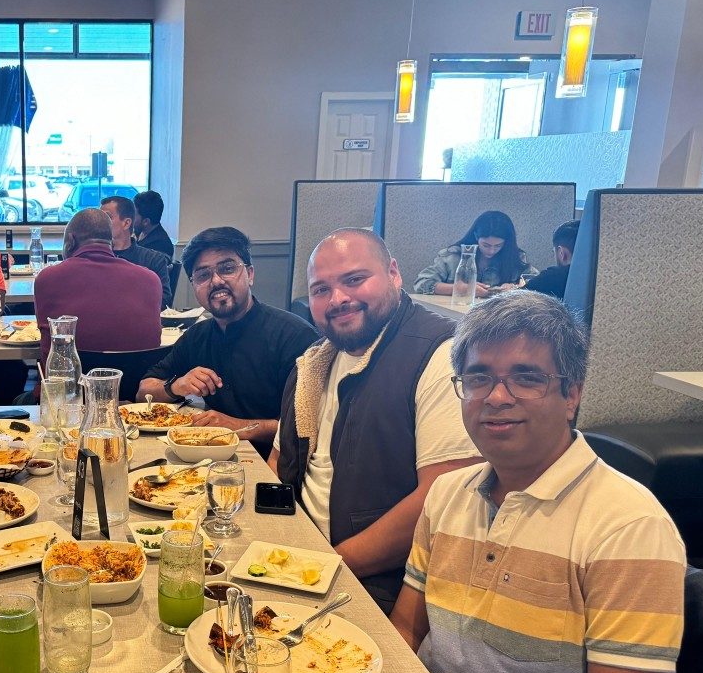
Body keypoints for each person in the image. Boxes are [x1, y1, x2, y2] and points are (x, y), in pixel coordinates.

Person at [310, 291, 686, 673]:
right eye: (479, 376)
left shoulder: (627, 526)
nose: (497, 396)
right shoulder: (450, 494)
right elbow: (407, 633)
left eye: (527, 378)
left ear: (573, 392)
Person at [270, 228, 481, 612]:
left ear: (394, 274)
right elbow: (281, 464)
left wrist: (328, 565)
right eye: (321, 290)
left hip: (374, 584)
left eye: (354, 280)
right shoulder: (315, 362)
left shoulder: (441, 355)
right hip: (296, 560)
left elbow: (442, 497)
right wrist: (262, 537)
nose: (338, 299)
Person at [138, 227, 318, 454]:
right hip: (209, 456)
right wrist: (176, 386)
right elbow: (144, 389)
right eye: (203, 275)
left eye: (227, 268)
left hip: (274, 464)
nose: (216, 281)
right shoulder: (197, 336)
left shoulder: (294, 337)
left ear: (250, 274)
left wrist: (240, 427)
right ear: (194, 286)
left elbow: (311, 425)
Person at [33, 208, 162, 375]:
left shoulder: (47, 278)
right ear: (112, 243)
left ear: (70, 241)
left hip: (66, 396)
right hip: (138, 398)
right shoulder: (151, 280)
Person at [413, 210, 535, 297]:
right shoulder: (453, 256)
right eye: (486, 245)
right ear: (476, 237)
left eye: (498, 246)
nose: (491, 250)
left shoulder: (515, 258)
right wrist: (460, 289)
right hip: (453, 317)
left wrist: (517, 288)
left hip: (497, 320)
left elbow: (538, 282)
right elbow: (421, 283)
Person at [102, 195, 173, 308]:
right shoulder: (95, 258)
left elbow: (164, 300)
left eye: (107, 217)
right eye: (99, 217)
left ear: (126, 223)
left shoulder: (153, 260)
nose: (100, 222)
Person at [523, 220, 580, 299]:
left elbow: (510, 302)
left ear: (561, 252)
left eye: (554, 252)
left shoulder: (551, 278)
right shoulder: (597, 277)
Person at [133, 190, 175, 260]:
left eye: (133, 214)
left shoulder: (161, 246)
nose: (129, 217)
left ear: (146, 221)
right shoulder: (139, 231)